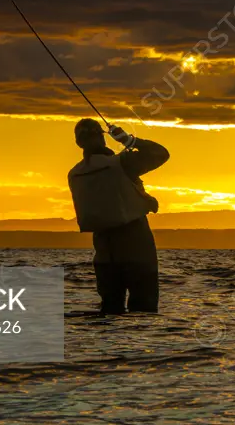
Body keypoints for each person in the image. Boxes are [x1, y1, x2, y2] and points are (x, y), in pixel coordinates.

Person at [67, 118, 169, 314]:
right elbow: (161, 154)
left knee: (110, 309)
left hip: (104, 248)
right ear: (102, 138)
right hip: (136, 241)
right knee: (144, 309)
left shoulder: (74, 173)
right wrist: (128, 140)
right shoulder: (122, 163)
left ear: (79, 143)